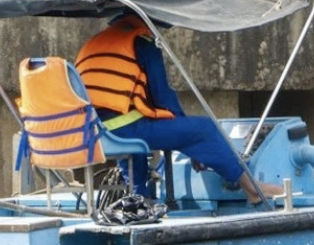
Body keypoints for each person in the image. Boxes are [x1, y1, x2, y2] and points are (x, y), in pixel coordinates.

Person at [75, 11, 283, 201]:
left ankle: (139, 197)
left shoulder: (92, 44)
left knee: (136, 135)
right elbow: (162, 95)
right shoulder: (141, 42)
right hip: (125, 131)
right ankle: (253, 189)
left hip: (96, 132)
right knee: (205, 129)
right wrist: (192, 142)